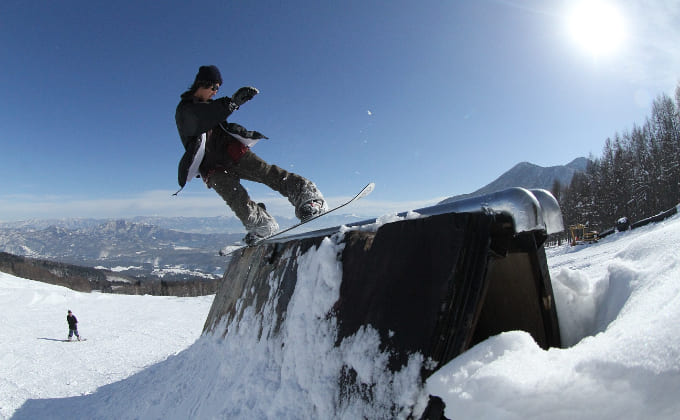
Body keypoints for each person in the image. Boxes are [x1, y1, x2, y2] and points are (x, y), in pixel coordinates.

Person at [175, 65, 327, 244]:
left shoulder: (211, 108)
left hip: (231, 152)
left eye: (218, 88)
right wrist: (231, 104)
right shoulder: (185, 110)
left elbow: (213, 116)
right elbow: (197, 122)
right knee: (236, 199)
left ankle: (309, 197)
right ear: (203, 84)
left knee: (267, 173)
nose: (215, 92)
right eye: (214, 87)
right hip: (211, 166)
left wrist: (229, 107)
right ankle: (262, 225)